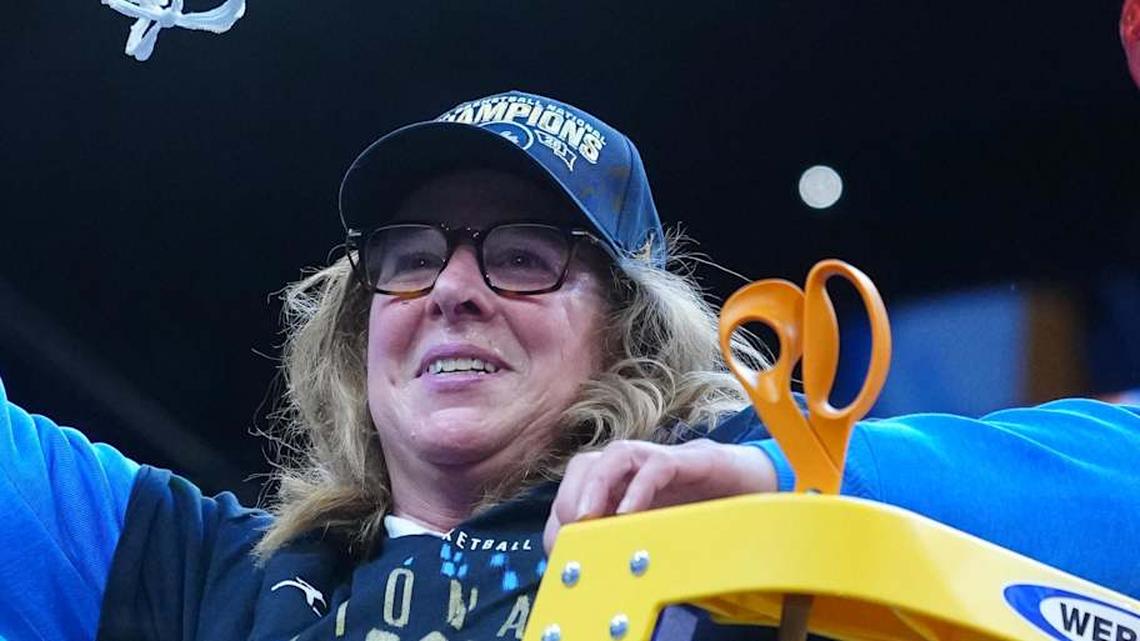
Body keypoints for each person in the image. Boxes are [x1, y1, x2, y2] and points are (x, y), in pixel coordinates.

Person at [1, 90, 1139, 641]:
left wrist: (795, 501)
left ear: (627, 331)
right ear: (360, 330)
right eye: (404, 259)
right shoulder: (192, 565)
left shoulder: (735, 520)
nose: (451, 287)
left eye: (523, 256)